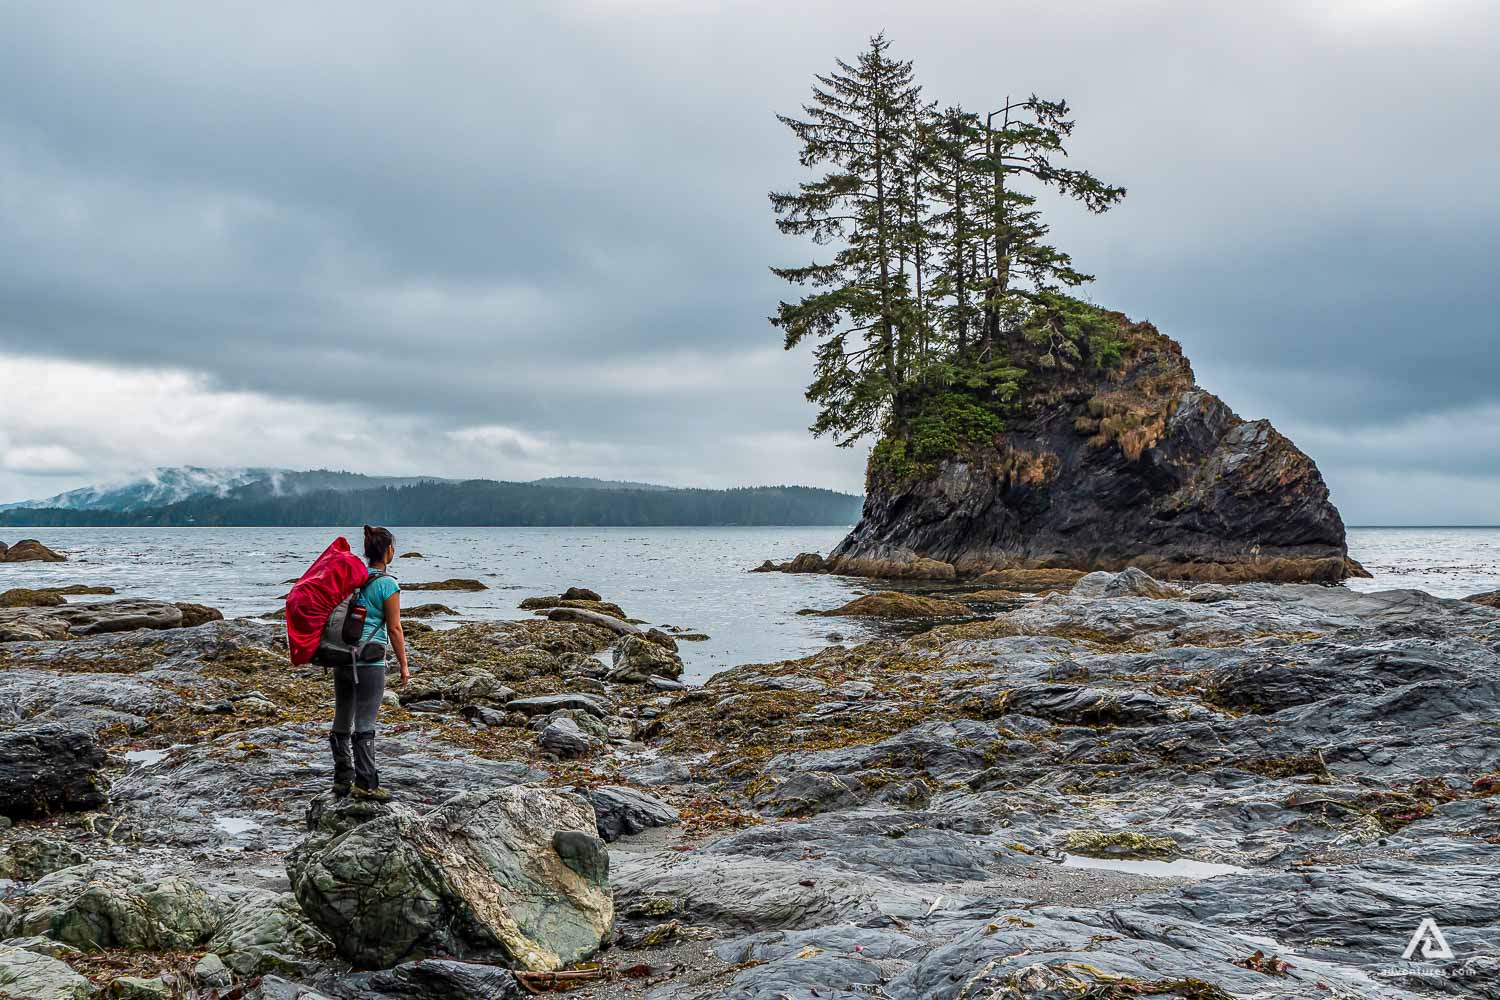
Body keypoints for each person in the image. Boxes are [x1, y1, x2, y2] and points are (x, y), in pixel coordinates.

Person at [329, 524, 410, 801]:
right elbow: (395, 628)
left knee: (342, 717)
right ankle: (366, 784)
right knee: (365, 720)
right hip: (370, 660)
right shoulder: (388, 584)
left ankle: (342, 780)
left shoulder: (353, 579)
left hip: (342, 655)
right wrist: (404, 666)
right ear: (389, 551)